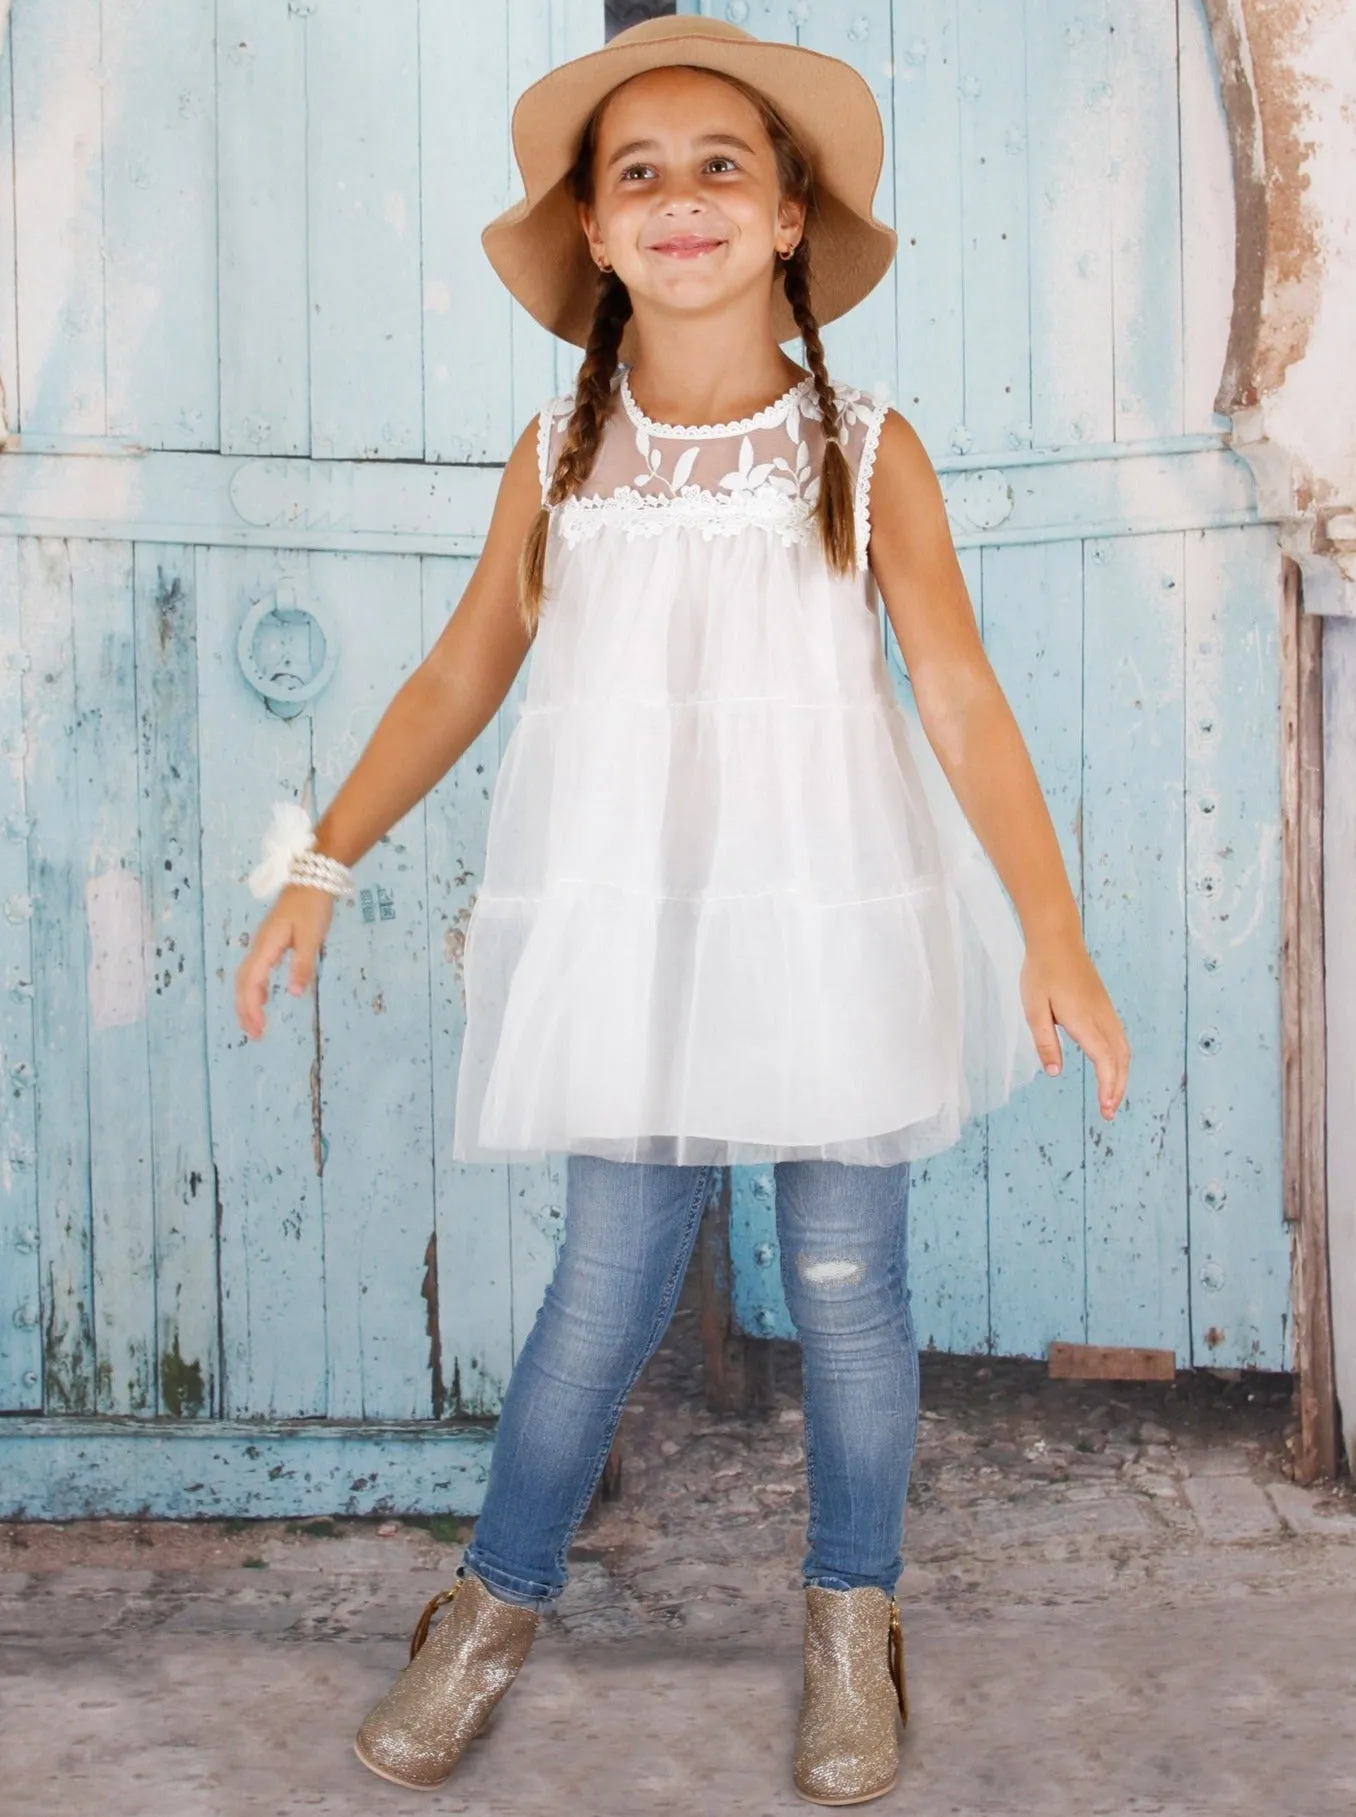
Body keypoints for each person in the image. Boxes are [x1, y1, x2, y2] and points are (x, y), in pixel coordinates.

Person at [235, 15, 1129, 1806]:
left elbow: (957, 695)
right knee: (600, 1296)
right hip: (629, 946)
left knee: (848, 1286)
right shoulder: (557, 461)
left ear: (792, 216)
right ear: (593, 231)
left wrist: (1049, 926)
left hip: (827, 925)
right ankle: (489, 1607)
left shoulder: (868, 452)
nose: (681, 195)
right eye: (635, 172)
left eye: (723, 162)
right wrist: (322, 861)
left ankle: (852, 1620)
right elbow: (455, 675)